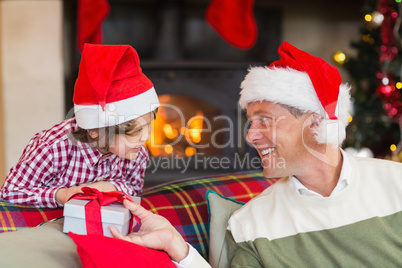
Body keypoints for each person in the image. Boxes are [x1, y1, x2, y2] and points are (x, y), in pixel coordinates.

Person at [109, 41, 402, 267]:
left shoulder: (396, 186)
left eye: (265, 119)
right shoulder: (250, 225)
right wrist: (179, 249)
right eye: (250, 121)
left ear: (314, 123)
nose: (250, 135)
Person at [0, 44, 160, 208]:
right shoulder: (53, 148)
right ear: (95, 131)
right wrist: (61, 195)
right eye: (135, 131)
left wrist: (110, 187)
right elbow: (9, 191)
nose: (146, 137)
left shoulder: (135, 152)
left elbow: (135, 188)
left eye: (148, 125)